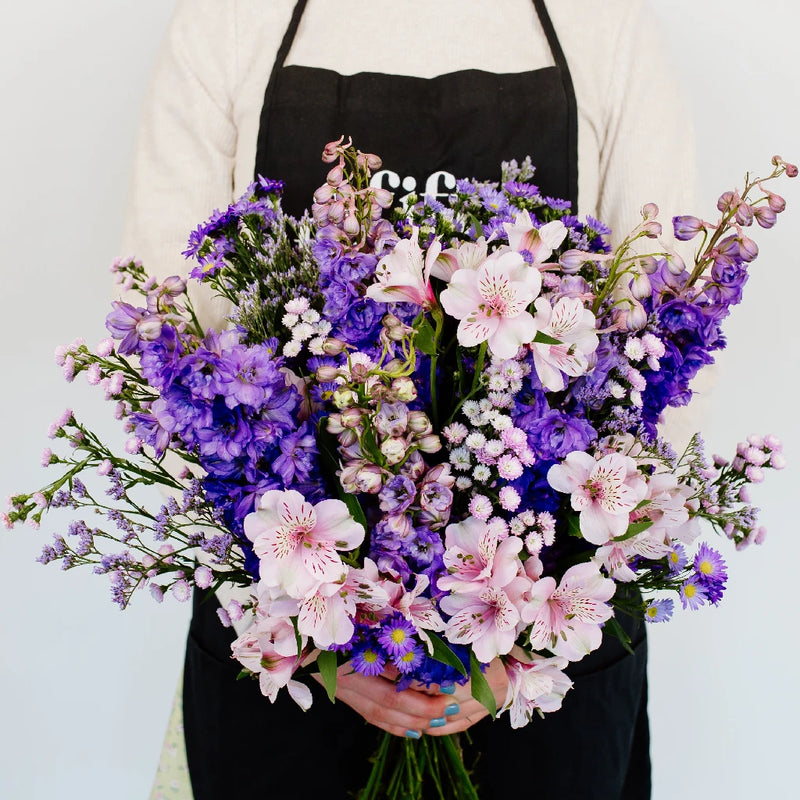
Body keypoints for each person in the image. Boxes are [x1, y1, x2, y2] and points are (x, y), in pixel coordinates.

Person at [122, 1, 695, 797]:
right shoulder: (228, 20)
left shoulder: (601, 23)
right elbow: (176, 333)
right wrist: (317, 648)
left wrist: (520, 643)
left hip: (544, 663)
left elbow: (661, 325)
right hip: (290, 624)